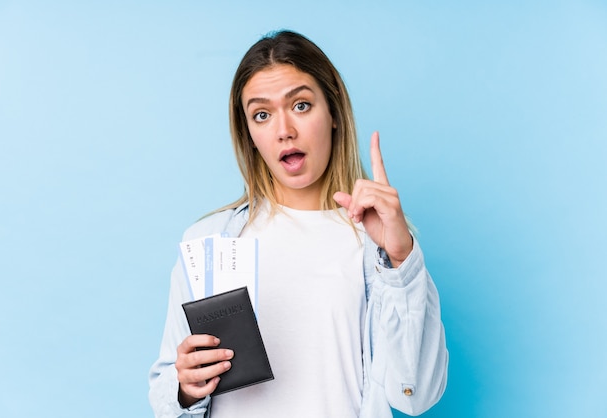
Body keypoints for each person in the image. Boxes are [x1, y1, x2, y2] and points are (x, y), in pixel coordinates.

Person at [149, 30, 448, 418]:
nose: (284, 129)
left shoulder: (378, 247)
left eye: (302, 105)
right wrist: (185, 390)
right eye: (262, 114)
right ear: (250, 135)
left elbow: (416, 394)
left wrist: (400, 259)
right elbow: (165, 392)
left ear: (334, 113)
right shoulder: (209, 243)